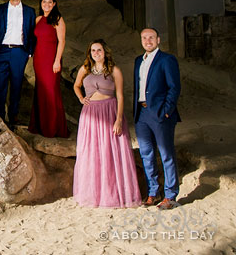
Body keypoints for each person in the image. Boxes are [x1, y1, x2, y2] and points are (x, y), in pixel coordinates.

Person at [72, 39, 141, 208]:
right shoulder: (85, 69)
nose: (96, 53)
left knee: (111, 152)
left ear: (105, 52)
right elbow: (76, 85)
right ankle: (93, 194)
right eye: (93, 50)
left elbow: (120, 96)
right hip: (90, 114)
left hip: (109, 112)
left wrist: (118, 119)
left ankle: (113, 194)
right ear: (90, 53)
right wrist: (81, 98)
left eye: (99, 50)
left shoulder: (114, 71)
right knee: (91, 152)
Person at [134, 28, 181, 210]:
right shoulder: (138, 61)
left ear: (158, 39)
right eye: (144, 38)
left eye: (151, 37)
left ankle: (170, 195)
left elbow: (174, 87)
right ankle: (153, 192)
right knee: (147, 154)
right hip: (142, 114)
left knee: (166, 154)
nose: (148, 41)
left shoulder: (167, 60)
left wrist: (167, 111)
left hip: (160, 114)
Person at [0, 0, 36, 126]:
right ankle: (0, 116)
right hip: (1, 51)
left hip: (19, 52)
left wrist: (29, 52)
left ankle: (13, 115)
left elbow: (32, 32)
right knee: (1, 85)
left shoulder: (29, 11)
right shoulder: (0, 9)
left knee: (16, 85)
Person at [28, 0, 69, 138]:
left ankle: (52, 128)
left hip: (52, 60)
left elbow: (62, 41)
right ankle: (40, 126)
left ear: (54, 4)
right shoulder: (38, 19)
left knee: (51, 92)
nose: (46, 4)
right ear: (41, 3)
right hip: (39, 59)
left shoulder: (57, 18)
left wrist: (57, 60)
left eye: (49, 2)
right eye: (44, 2)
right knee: (41, 91)